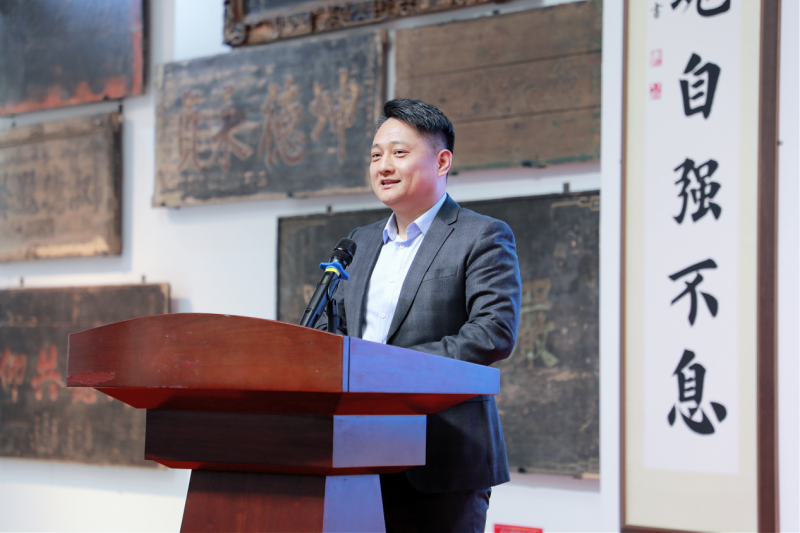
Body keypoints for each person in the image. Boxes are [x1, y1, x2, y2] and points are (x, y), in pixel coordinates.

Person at [321, 98, 521, 532]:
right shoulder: (358, 242)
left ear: (442, 161)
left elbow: (492, 332)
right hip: (355, 452)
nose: (383, 166)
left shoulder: (481, 235)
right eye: (376, 155)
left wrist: (386, 369)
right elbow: (329, 328)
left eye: (399, 152)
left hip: (442, 455)